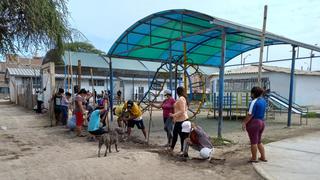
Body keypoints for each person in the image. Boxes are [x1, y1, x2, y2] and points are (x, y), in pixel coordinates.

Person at [242, 86, 267, 163]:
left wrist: (244, 123)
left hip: (254, 123)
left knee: (253, 141)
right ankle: (263, 157)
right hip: (262, 122)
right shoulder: (263, 101)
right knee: (259, 141)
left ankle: (254, 158)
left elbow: (250, 114)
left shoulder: (253, 102)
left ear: (253, 94)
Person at [169, 87, 189, 153]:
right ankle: (173, 149)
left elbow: (182, 110)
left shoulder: (181, 99)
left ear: (177, 92)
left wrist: (173, 115)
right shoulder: (183, 98)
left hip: (182, 120)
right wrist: (175, 118)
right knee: (176, 135)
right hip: (180, 120)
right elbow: (181, 110)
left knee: (181, 136)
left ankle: (182, 151)